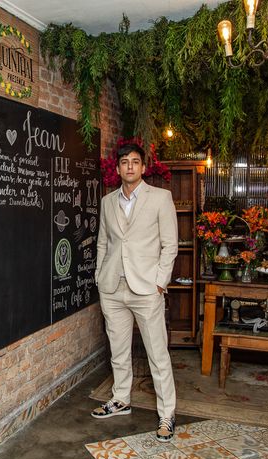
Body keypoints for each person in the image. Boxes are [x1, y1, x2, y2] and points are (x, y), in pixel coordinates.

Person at [92, 143, 178, 442]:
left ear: (143, 167)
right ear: (117, 169)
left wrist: (159, 282)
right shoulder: (107, 202)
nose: (129, 166)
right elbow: (103, 242)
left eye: (135, 162)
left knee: (157, 353)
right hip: (112, 287)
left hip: (146, 289)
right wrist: (99, 275)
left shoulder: (160, 198)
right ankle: (120, 399)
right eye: (124, 162)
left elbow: (170, 245)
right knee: (118, 350)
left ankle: (167, 413)